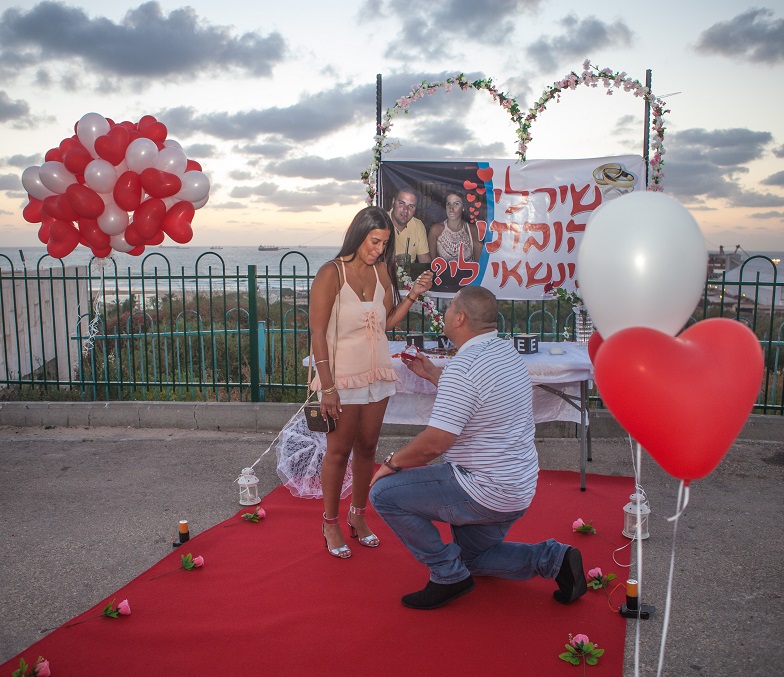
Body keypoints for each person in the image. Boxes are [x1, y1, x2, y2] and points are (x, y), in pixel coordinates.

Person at [369, 286, 586, 609]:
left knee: (383, 494)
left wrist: (391, 463)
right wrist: (433, 375)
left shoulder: (464, 367)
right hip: (518, 487)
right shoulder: (504, 352)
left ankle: (446, 574)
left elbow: (434, 444)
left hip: (482, 488)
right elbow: (479, 400)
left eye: (449, 307)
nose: (444, 313)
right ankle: (554, 559)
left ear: (459, 318)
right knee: (475, 559)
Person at [309, 206, 433, 559]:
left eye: (384, 243)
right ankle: (330, 522)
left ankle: (358, 515)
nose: (379, 249)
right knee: (338, 449)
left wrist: (413, 295)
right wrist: (328, 387)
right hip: (342, 376)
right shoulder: (331, 273)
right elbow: (317, 332)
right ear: (358, 234)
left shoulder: (382, 272)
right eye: (374, 241)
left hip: (377, 371)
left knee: (367, 447)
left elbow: (387, 323)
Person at [427, 191, 483, 263]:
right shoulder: (435, 230)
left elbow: (479, 263)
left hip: (469, 273)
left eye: (456, 204)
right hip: (442, 274)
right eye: (448, 204)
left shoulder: (473, 230)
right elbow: (430, 264)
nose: (451, 209)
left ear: (463, 207)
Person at [389, 188, 432, 264]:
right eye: (401, 203)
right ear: (393, 202)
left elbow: (425, 262)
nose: (405, 210)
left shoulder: (418, 225)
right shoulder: (380, 222)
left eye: (411, 206)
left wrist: (428, 273)